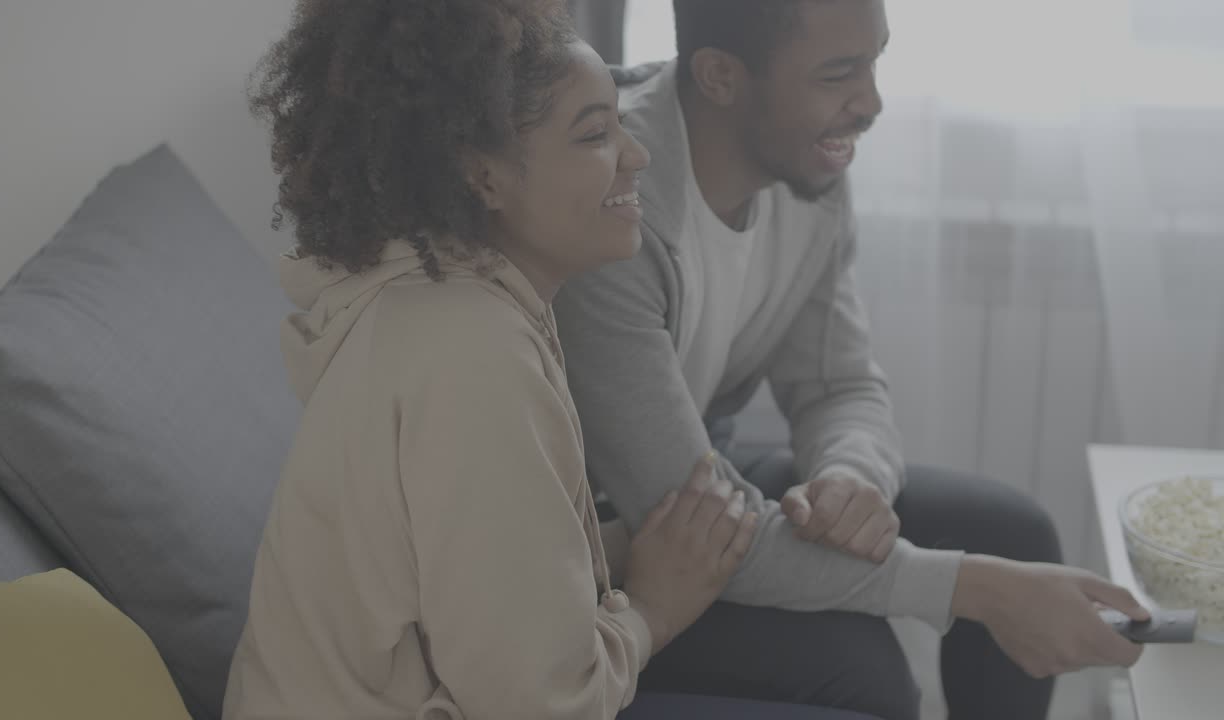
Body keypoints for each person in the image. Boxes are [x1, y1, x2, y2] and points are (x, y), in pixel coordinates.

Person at [217, 1, 848, 718]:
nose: (635, 156)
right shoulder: (470, 352)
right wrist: (653, 608)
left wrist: (632, 548)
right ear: (482, 176)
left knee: (854, 666)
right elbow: (543, 704)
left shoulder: (459, 309)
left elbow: (473, 564)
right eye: (595, 135)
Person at [553, 2, 1150, 719]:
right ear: (719, 76)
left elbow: (839, 385)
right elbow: (689, 523)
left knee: (1014, 532)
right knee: (869, 673)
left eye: (874, 63)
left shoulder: (807, 171)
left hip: (704, 479)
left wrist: (849, 477)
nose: (870, 103)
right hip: (615, 546)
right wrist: (985, 591)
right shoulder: (611, 202)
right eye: (839, 74)